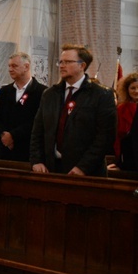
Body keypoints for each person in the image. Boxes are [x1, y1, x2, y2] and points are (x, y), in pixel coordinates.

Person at [30, 44, 117, 176]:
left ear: (82, 66)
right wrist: (37, 161)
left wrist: (83, 167)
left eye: (67, 62)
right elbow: (38, 131)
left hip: (86, 172)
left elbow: (104, 137)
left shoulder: (101, 95)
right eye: (60, 62)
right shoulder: (50, 94)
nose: (62, 65)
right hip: (51, 169)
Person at [0, 52, 46, 162]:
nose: (10, 69)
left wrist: (13, 135)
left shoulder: (42, 91)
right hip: (5, 148)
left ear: (26, 66)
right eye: (9, 66)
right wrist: (4, 135)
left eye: (14, 66)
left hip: (28, 149)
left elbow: (38, 120)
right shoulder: (5, 91)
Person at [113, 73, 138, 170]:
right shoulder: (121, 109)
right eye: (133, 88)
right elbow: (118, 134)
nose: (136, 91)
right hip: (128, 154)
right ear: (127, 90)